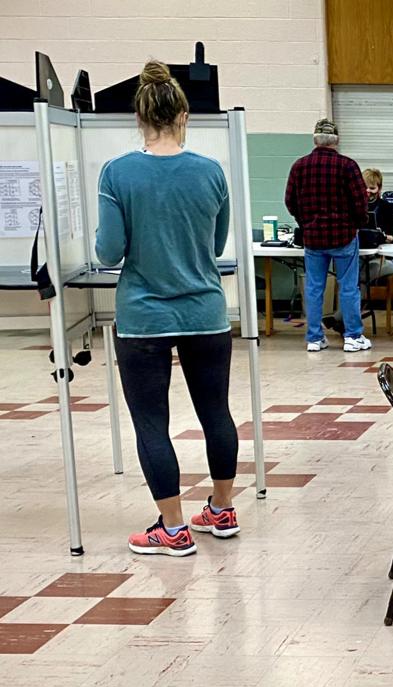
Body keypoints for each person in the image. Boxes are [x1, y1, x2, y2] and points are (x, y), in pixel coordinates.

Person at [95, 60, 240, 557]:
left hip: (143, 318)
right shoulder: (210, 172)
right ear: (184, 115)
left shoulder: (117, 173)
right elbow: (217, 245)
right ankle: (221, 509)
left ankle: (173, 527)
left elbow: (108, 252)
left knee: (151, 423)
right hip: (205, 312)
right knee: (215, 413)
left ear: (139, 117)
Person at [284, 118, 373, 352]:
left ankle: (314, 338)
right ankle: (353, 337)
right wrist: (356, 224)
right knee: (348, 287)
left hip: (313, 238)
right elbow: (360, 202)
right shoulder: (348, 166)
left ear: (314, 139)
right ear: (337, 140)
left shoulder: (299, 166)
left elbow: (290, 201)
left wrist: (305, 222)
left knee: (314, 288)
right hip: (344, 236)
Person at [324, 168, 393, 335]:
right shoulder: (354, 208)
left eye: (372, 188)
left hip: (386, 260)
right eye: (365, 187)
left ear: (379, 188)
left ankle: (340, 317)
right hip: (361, 256)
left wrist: (382, 236)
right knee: (354, 276)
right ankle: (347, 320)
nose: (368, 192)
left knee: (357, 277)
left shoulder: (388, 209)